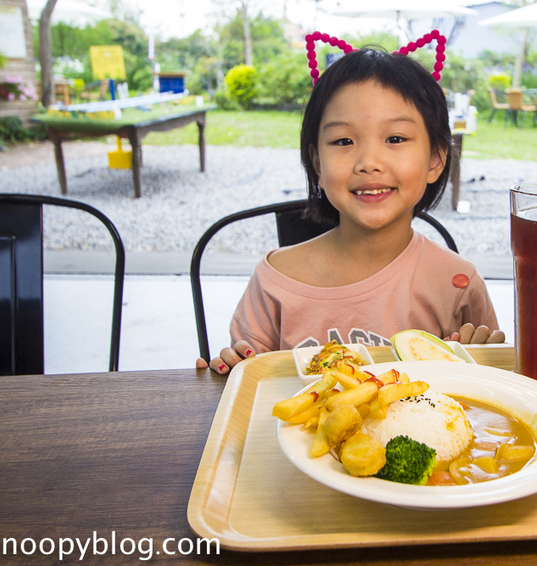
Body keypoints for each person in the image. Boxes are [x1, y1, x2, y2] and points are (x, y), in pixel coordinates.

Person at [198, 42, 504, 375]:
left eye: (396, 139)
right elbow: (249, 396)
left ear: (435, 159)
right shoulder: (275, 283)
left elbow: (485, 398)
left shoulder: (457, 286)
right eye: (343, 141)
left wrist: (482, 362)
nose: (368, 163)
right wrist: (231, 371)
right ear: (317, 162)